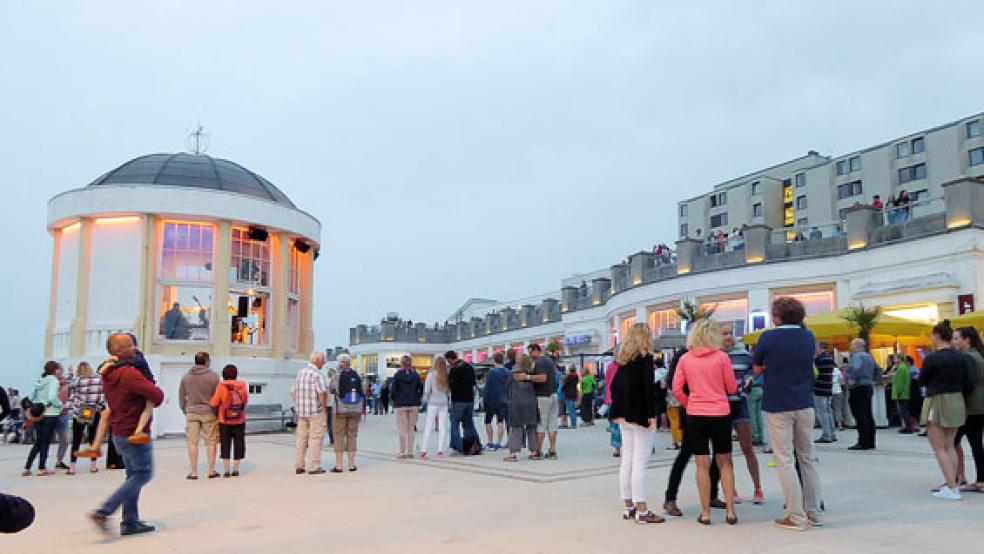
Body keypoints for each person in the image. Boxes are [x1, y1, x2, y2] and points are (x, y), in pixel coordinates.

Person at [752, 297, 822, 530]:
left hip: (778, 402)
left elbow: (757, 368)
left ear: (778, 317)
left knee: (784, 459)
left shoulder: (768, 337)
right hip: (804, 401)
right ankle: (812, 511)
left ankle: (796, 515)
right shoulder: (808, 337)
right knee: (807, 457)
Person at [89, 333, 164, 536]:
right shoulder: (128, 374)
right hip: (134, 433)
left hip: (119, 432)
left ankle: (130, 521)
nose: (135, 348)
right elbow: (157, 395)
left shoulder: (108, 374)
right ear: (118, 351)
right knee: (143, 474)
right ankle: (104, 511)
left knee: (132, 475)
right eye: (130, 345)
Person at [674, 319, 739, 525]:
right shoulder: (722, 358)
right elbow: (732, 388)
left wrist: (689, 402)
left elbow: (676, 389)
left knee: (701, 463)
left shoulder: (685, 359)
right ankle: (730, 510)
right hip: (720, 413)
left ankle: (705, 513)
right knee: (725, 462)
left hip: (696, 415)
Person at [610, 323, 665, 524]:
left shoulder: (623, 362)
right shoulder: (645, 359)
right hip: (640, 415)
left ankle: (629, 507)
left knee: (628, 460)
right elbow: (648, 390)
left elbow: (615, 387)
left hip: (623, 415)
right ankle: (642, 510)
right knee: (640, 462)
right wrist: (651, 415)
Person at [713, 330, 764, 505]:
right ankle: (731, 488)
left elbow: (753, 371)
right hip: (721, 406)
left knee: (747, 447)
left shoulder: (742, 354)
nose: (726, 336)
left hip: (740, 403)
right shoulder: (713, 354)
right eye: (723, 333)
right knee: (725, 451)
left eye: (729, 333)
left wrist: (749, 381)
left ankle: (758, 487)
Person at [921, 321, 969, 500]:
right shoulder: (960, 357)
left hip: (938, 399)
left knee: (939, 446)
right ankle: (953, 484)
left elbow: (923, 379)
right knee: (950, 445)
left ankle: (951, 486)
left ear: (937, 335)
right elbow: (967, 380)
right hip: (957, 399)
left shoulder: (932, 358)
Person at [178, 352, 220, 479]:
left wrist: (185, 409)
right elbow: (218, 397)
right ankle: (211, 471)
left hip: (192, 412)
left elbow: (181, 396)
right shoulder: (214, 377)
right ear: (207, 361)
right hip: (209, 412)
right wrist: (217, 412)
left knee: (192, 442)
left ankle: (194, 472)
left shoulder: (186, 377)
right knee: (211, 442)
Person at [953, 326, 984, 493]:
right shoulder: (979, 354)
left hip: (969, 407)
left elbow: (968, 383)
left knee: (951, 443)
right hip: (979, 406)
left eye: (957, 338)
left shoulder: (967, 357)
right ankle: (980, 480)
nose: (953, 342)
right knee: (976, 443)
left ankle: (956, 477)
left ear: (967, 340)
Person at [23, 361, 63, 476]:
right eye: (60, 369)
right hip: (50, 414)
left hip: (38, 414)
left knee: (38, 442)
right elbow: (51, 398)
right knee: (45, 442)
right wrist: (60, 405)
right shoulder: (54, 380)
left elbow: (31, 397)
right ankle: (41, 468)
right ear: (55, 370)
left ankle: (27, 467)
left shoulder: (40, 380)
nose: (61, 371)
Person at [291, 351, 329, 475]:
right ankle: (314, 466)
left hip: (302, 412)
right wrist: (324, 409)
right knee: (315, 438)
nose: (324, 362)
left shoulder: (300, 373)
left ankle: (299, 465)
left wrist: (298, 403)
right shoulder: (317, 374)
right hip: (315, 412)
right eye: (323, 360)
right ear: (317, 360)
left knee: (301, 439)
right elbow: (322, 393)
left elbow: (293, 391)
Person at [209, 364, 248, 478]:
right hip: (240, 419)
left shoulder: (221, 386)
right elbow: (245, 401)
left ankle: (226, 471)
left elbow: (214, 403)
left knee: (225, 444)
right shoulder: (242, 386)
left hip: (224, 420)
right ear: (236, 374)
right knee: (239, 444)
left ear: (223, 374)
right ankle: (236, 470)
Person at [67, 362, 105, 475]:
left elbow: (71, 393)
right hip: (94, 410)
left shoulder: (76, 380)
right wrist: (99, 407)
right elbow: (103, 395)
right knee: (93, 439)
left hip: (80, 411)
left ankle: (72, 467)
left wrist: (70, 374)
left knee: (76, 440)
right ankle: (93, 466)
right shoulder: (99, 379)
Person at [328, 354, 362, 471]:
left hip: (340, 410)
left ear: (340, 363)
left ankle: (339, 465)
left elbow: (331, 390)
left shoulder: (336, 376)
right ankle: (352, 465)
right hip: (355, 409)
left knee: (339, 436)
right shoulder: (357, 376)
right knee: (352, 435)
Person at [503, 354, 540, 462]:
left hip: (516, 402)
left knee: (515, 427)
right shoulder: (531, 374)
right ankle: (534, 451)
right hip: (531, 402)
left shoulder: (513, 373)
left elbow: (507, 387)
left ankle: (513, 453)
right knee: (532, 427)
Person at [846, 338, 879, 450]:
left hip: (858, 387)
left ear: (858, 346)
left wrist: (852, 378)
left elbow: (856, 369)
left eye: (852, 345)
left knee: (859, 414)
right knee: (868, 414)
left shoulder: (857, 357)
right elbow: (878, 370)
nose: (851, 347)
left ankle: (863, 441)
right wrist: (873, 379)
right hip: (868, 386)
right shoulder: (869, 357)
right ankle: (871, 441)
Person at [528, 343, 560, 459]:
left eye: (530, 352)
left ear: (536, 350)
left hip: (542, 396)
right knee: (552, 424)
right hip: (553, 394)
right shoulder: (549, 361)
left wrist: (528, 377)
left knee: (541, 424)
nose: (530, 354)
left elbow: (542, 378)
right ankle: (552, 450)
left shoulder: (540, 362)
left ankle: (538, 451)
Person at [446, 351, 481, 454]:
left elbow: (453, 387)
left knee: (455, 424)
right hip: (469, 399)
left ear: (449, 359)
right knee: (468, 424)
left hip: (458, 401)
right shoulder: (468, 367)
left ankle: (458, 447)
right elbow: (473, 383)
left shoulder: (454, 370)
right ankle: (474, 445)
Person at [391, 355, 423, 459]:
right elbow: (421, 388)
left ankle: (402, 452)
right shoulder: (415, 375)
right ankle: (410, 452)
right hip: (413, 403)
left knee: (402, 429)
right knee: (411, 429)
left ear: (402, 363)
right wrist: (417, 397)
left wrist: (395, 399)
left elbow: (393, 390)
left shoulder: (397, 375)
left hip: (400, 404)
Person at [420, 356, 451, 459]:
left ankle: (424, 449)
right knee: (442, 426)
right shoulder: (446, 375)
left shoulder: (431, 375)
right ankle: (440, 450)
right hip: (443, 403)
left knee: (429, 426)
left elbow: (427, 390)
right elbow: (448, 391)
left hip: (433, 402)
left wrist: (424, 400)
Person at [483, 352, 510, 449]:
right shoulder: (508, 372)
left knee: (488, 421)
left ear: (494, 360)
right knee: (500, 421)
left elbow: (488, 387)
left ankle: (490, 442)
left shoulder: (491, 372)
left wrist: (484, 400)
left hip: (492, 399)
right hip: (504, 399)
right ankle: (499, 442)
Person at [813, 342, 837, 443]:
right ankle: (832, 433)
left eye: (816, 348)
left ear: (821, 349)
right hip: (828, 388)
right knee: (828, 411)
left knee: (822, 412)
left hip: (819, 388)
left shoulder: (819, 359)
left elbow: (814, 372)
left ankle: (826, 435)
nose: (815, 350)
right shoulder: (830, 359)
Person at [892, 354, 915, 433]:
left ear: (899, 359)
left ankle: (908, 427)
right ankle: (908, 427)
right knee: (904, 410)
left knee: (903, 411)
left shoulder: (901, 368)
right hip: (904, 392)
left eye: (895, 359)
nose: (894, 360)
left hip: (902, 393)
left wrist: (897, 393)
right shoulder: (903, 367)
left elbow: (899, 382)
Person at [604, 358, 622, 457]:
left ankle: (616, 448)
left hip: (611, 397)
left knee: (614, 424)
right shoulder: (625, 366)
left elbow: (607, 382)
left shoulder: (610, 366)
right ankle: (625, 446)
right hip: (623, 398)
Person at [654, 358, 669, 432]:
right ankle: (664, 426)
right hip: (665, 393)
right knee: (664, 410)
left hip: (656, 393)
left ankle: (655, 426)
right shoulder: (667, 371)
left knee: (656, 410)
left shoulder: (655, 373)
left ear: (656, 365)